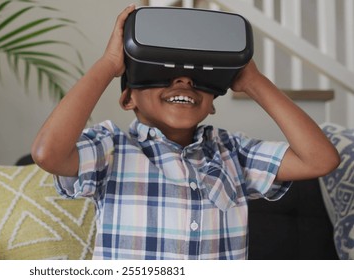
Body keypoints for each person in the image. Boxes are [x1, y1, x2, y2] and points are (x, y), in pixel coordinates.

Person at [31, 5, 340, 259]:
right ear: (128, 98)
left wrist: (252, 81)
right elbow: (48, 153)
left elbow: (320, 160)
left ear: (213, 105)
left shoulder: (234, 152)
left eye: (196, 78)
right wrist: (109, 64)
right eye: (162, 75)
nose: (184, 82)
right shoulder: (111, 149)